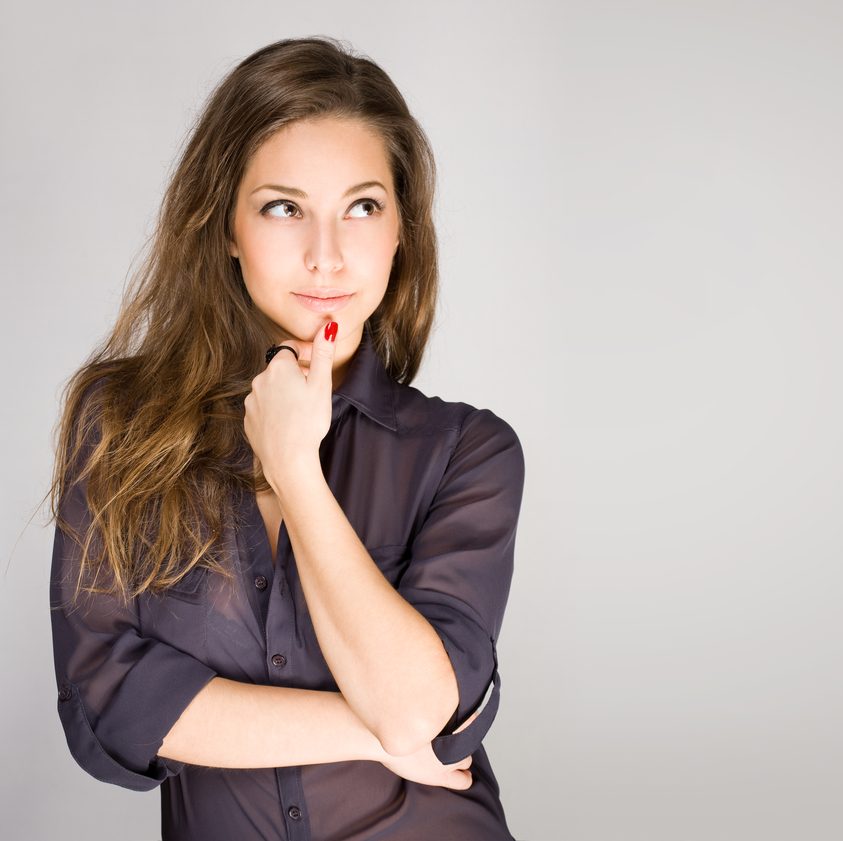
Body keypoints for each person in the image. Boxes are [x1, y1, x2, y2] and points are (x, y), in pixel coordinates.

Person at [47, 35, 526, 841]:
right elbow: (112, 702)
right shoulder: (120, 421)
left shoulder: (466, 452)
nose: (327, 255)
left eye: (363, 207)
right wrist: (376, 731)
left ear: (402, 228)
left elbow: (419, 702)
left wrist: (295, 468)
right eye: (283, 206)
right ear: (226, 227)